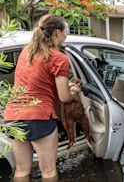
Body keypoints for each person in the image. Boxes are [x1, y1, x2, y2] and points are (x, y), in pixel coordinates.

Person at [4, 14, 81, 182]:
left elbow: (37, 80)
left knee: (22, 170)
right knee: (48, 171)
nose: (66, 36)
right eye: (66, 32)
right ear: (57, 33)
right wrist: (73, 92)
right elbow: (64, 97)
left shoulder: (27, 51)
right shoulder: (59, 57)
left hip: (13, 116)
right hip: (38, 116)